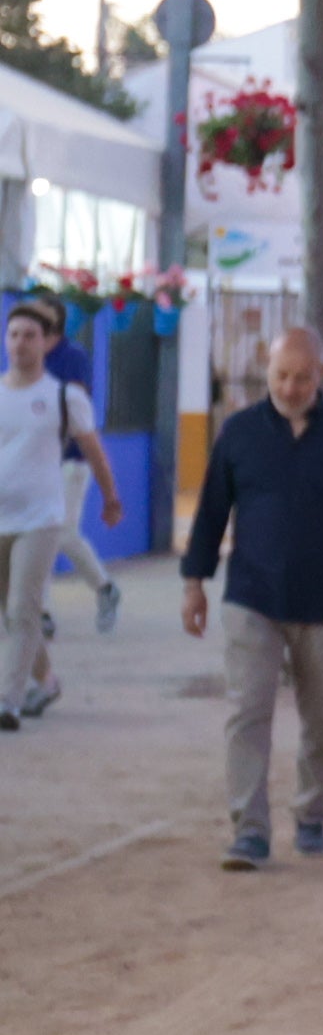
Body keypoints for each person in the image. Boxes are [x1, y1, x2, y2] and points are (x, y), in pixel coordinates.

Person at [180, 328, 323, 868]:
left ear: (321, 374)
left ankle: (311, 816)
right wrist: (194, 582)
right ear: (266, 371)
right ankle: (248, 831)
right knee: (247, 713)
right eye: (281, 376)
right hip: (252, 595)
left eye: (302, 377)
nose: (291, 387)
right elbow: (210, 512)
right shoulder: (239, 433)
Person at [2, 305, 123, 728]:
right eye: (13, 334)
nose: (20, 343)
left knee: (23, 606)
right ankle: (46, 680)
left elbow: (91, 447)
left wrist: (110, 496)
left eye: (29, 335)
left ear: (46, 342)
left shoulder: (62, 396)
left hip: (41, 517)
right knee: (12, 613)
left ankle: (9, 701)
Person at [23, 297, 123, 636]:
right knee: (36, 533)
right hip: (34, 464)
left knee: (61, 533)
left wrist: (110, 494)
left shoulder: (72, 357)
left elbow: (75, 416)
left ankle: (105, 588)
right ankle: (43, 613)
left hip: (70, 463)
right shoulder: (27, 358)